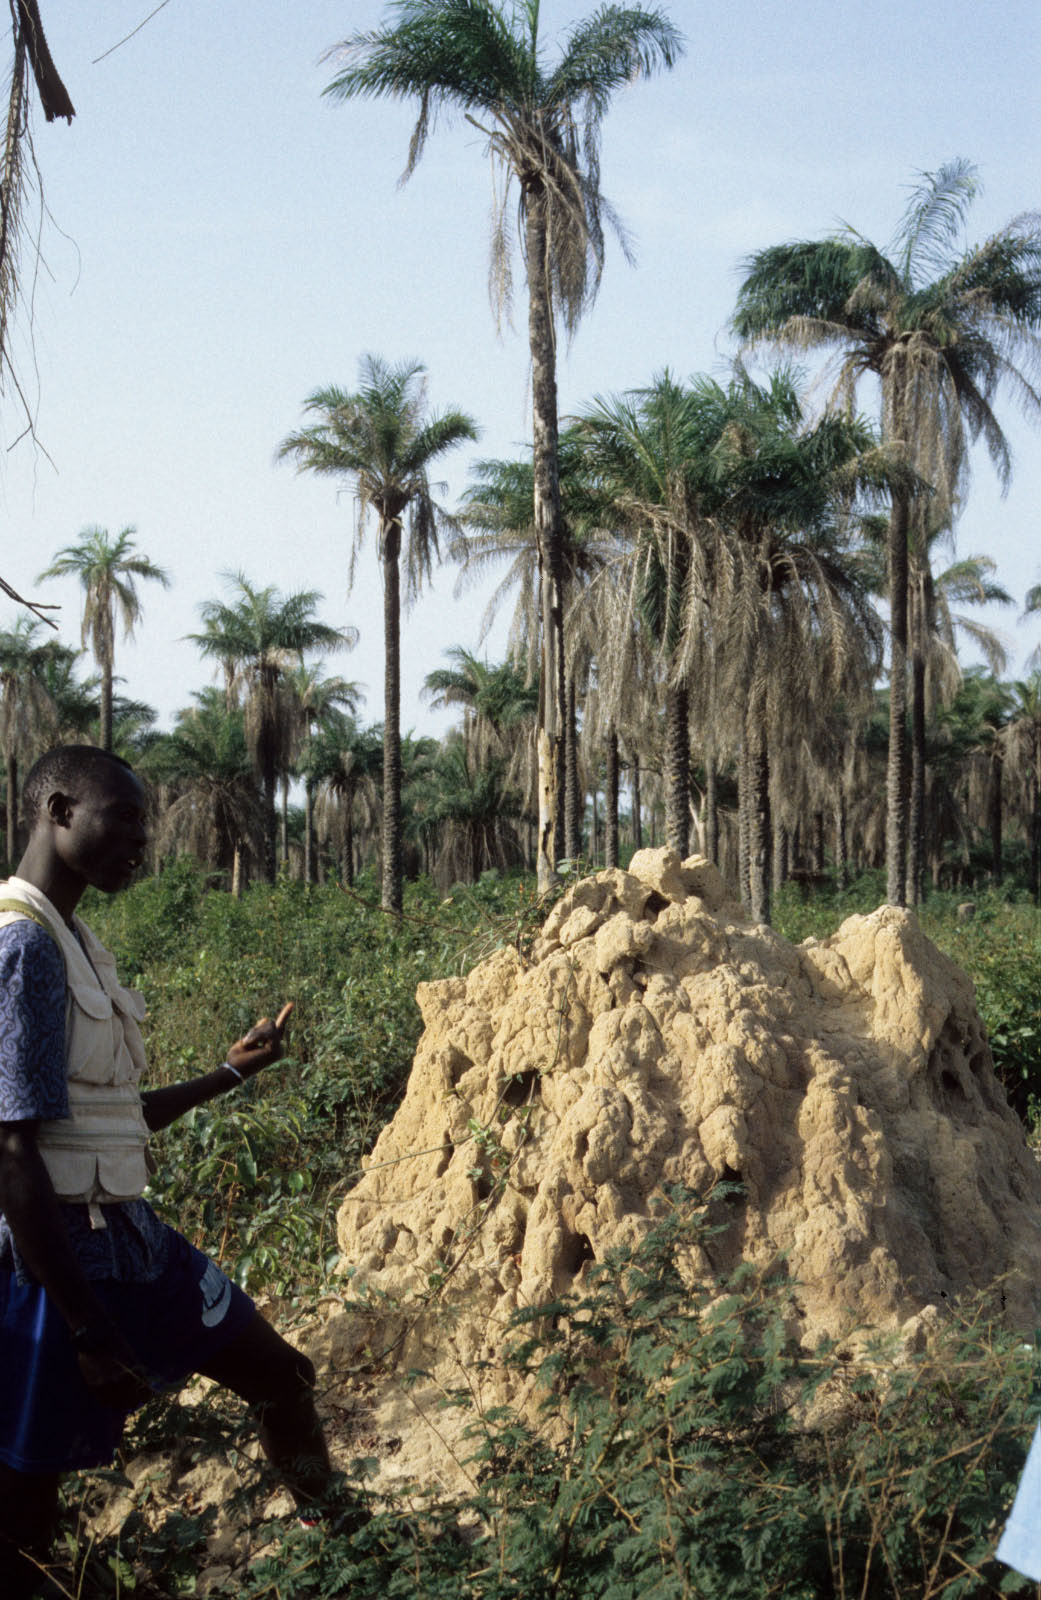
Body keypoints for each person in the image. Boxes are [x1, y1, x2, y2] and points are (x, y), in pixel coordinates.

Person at [0, 745, 332, 1598]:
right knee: (25, 1507)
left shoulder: (75, 939)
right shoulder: (23, 946)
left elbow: (112, 1115)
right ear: (59, 810)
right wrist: (82, 1326)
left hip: (130, 1238)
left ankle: (345, 1551)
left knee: (281, 1374)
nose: (141, 844)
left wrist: (230, 1073)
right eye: (125, 820)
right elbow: (14, 1155)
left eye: (146, 826)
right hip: (55, 1262)